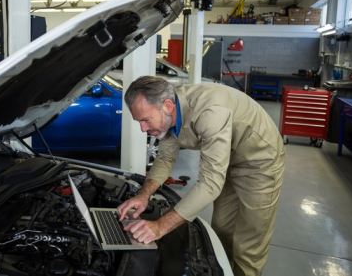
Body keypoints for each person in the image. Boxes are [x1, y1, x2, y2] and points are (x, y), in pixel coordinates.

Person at [117, 76, 285, 276]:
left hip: (260, 160)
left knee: (248, 243)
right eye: (139, 121)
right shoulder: (169, 115)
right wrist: (144, 195)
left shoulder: (210, 112)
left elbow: (210, 184)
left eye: (145, 120)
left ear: (168, 106)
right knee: (222, 228)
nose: (142, 129)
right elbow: (164, 160)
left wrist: (160, 227)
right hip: (228, 158)